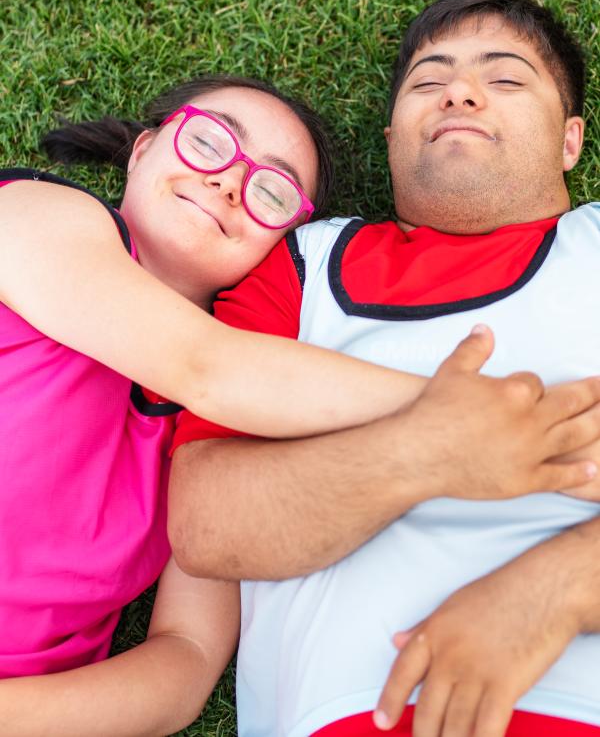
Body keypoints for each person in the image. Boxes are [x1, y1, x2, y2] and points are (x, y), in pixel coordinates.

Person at [5, 72, 591, 735]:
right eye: (207, 141)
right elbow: (207, 364)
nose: (229, 180)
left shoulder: (228, 429)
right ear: (142, 151)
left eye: (271, 188)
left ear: (279, 243)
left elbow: (186, 662)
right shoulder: (30, 215)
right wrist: (480, 418)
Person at [170, 0, 600, 737]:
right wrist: (425, 452)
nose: (460, 90)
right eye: (428, 82)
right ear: (394, 131)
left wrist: (556, 588)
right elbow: (210, 525)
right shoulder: (301, 268)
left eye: (504, 79)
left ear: (570, 140)